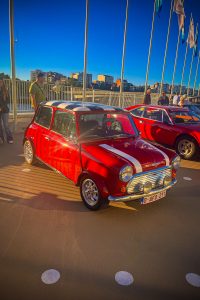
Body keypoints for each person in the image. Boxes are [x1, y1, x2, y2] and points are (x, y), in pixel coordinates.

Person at [0, 79, 13, 144]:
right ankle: (2, 139)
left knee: (6, 125)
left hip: (5, 110)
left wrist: (1, 107)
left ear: (2, 83)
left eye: (0, 82)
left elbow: (8, 101)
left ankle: (10, 138)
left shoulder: (5, 91)